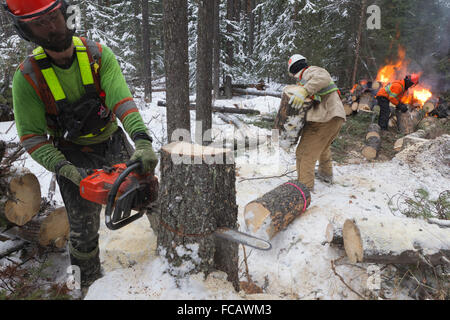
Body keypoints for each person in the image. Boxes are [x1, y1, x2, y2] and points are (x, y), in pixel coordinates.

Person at [4, 0, 158, 290]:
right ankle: (86, 284)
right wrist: (69, 171)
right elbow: (33, 138)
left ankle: (174, 257)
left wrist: (141, 140)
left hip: (111, 140)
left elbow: (121, 100)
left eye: (52, 17)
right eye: (39, 22)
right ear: (26, 30)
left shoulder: (99, 55)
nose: (50, 26)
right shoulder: (27, 78)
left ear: (64, 12)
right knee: (82, 229)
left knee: (149, 194)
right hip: (70, 152)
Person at [287, 54, 346, 191]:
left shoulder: (310, 71)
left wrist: (304, 90)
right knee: (322, 147)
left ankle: (304, 188)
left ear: (294, 69)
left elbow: (323, 77)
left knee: (304, 152)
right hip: (333, 117)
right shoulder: (307, 78)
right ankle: (325, 174)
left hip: (325, 119)